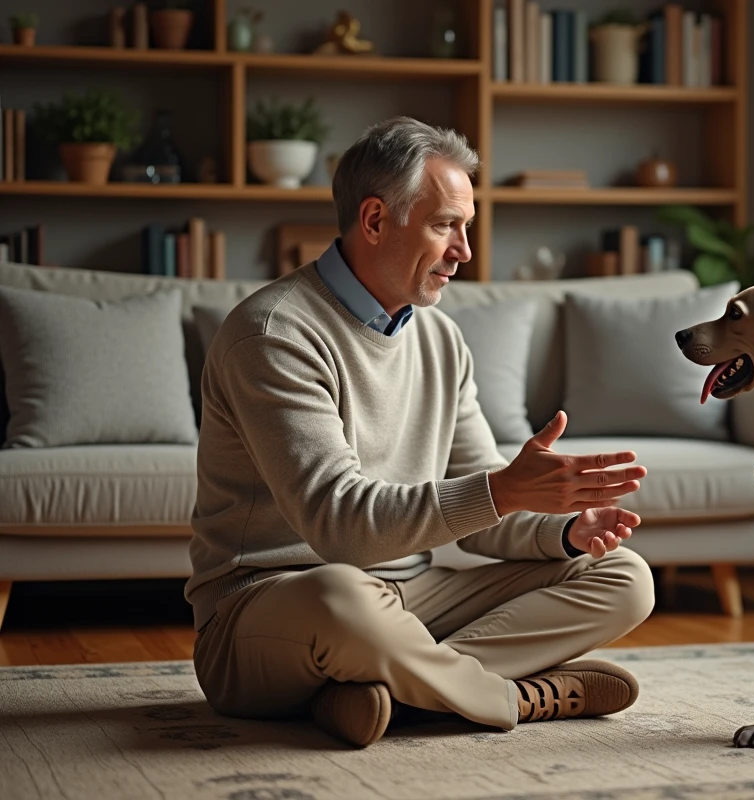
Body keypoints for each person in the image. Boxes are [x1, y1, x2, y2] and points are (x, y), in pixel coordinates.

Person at [184, 116, 656, 748]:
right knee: (341, 595)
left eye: (466, 227)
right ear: (375, 220)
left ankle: (381, 695)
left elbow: (485, 508)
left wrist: (563, 529)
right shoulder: (274, 335)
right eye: (445, 226)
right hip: (274, 606)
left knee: (623, 578)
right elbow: (340, 527)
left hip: (413, 600)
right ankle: (501, 696)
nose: (465, 250)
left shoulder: (440, 338)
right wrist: (506, 491)